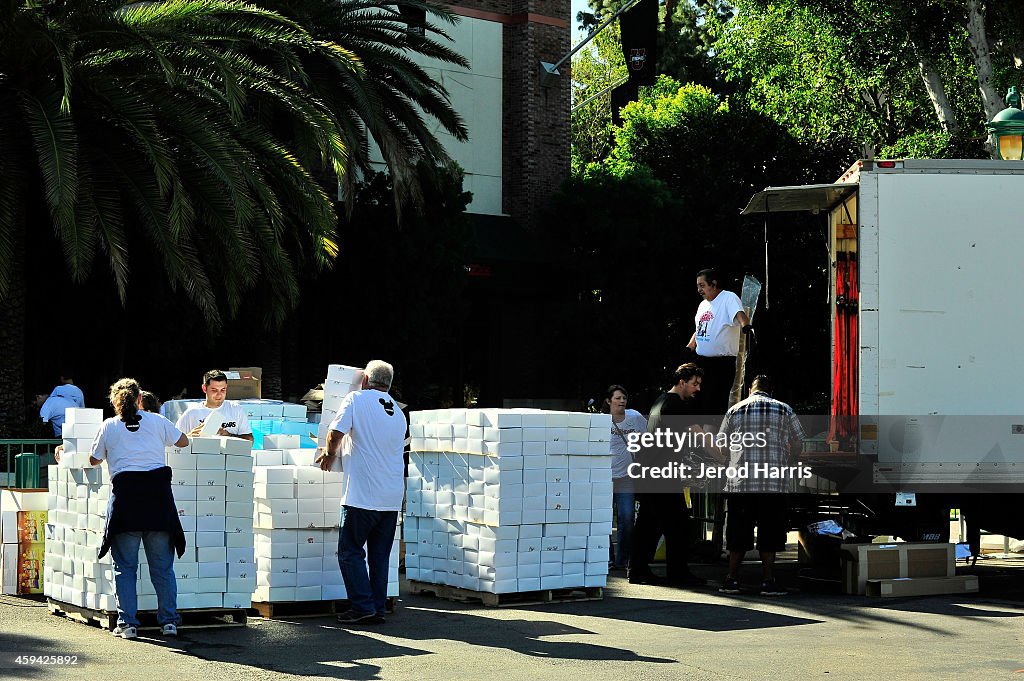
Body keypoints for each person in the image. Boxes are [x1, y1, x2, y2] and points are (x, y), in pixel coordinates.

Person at [90, 378, 189, 639]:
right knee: (162, 568)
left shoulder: (108, 426)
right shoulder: (156, 421)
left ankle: (128, 624)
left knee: (125, 567)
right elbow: (184, 441)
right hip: (158, 501)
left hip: (126, 503)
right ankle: (169, 622)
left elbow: (94, 458)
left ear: (114, 401)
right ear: (139, 399)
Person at [317, 360, 407, 625]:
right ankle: (377, 607)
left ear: (365, 380)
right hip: (391, 497)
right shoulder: (398, 413)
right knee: (379, 556)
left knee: (350, 550)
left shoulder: (355, 398)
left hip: (362, 494)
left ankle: (362, 605)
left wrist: (329, 454)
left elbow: (335, 432)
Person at [717, 375, 806, 596]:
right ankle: (768, 581)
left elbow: (721, 446)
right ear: (770, 391)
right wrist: (790, 459)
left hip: (740, 484)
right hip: (773, 484)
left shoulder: (735, 410)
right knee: (770, 533)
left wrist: (733, 456)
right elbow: (798, 442)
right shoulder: (784, 409)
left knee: (738, 533)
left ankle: (731, 580)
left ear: (750, 390)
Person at [628, 363, 706, 587]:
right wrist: (720, 454)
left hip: (652, 472)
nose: (697, 389)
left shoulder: (660, 401)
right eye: (695, 383)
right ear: (682, 382)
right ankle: (677, 573)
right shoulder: (675, 404)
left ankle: (638, 570)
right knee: (679, 525)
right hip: (662, 475)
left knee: (650, 525)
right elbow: (697, 433)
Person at [686, 268, 750, 415]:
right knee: (698, 401)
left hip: (720, 363)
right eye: (697, 286)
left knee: (714, 403)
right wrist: (690, 346)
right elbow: (701, 328)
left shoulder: (728, 298)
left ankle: (713, 436)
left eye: (702, 285)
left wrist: (745, 325)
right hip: (701, 362)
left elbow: (739, 313)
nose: (699, 290)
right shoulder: (703, 305)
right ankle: (700, 435)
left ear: (713, 284)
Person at [606, 385, 647, 571]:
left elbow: (647, 440)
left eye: (624, 397)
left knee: (627, 518)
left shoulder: (635, 417)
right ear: (609, 401)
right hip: (604, 477)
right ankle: (607, 558)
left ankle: (623, 560)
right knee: (603, 520)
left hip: (626, 476)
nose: (622, 401)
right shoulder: (601, 421)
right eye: (617, 398)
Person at [175, 369, 254, 442]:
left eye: (223, 390)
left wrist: (229, 436)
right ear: (204, 388)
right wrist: (190, 436)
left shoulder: (236, 409)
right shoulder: (192, 413)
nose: (219, 394)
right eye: (214, 390)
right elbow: (174, 441)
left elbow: (250, 440)